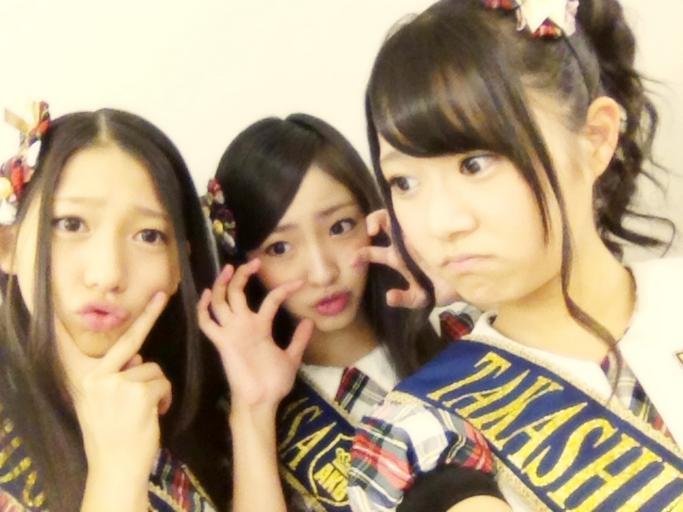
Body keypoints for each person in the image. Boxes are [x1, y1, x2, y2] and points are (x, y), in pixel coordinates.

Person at [348, 0, 683, 510]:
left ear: (596, 139)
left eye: (475, 164)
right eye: (404, 182)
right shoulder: (426, 429)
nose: (441, 222)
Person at [197, 114, 499, 511]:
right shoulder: (245, 421)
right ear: (242, 266)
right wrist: (255, 411)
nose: (323, 272)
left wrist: (467, 284)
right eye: (280, 248)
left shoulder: (464, 328)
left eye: (339, 227)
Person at [0, 104, 227, 511]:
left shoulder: (199, 411)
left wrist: (254, 412)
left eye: (148, 235)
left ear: (179, 266)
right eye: (71, 224)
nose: (108, 274)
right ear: (8, 246)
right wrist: (116, 473)